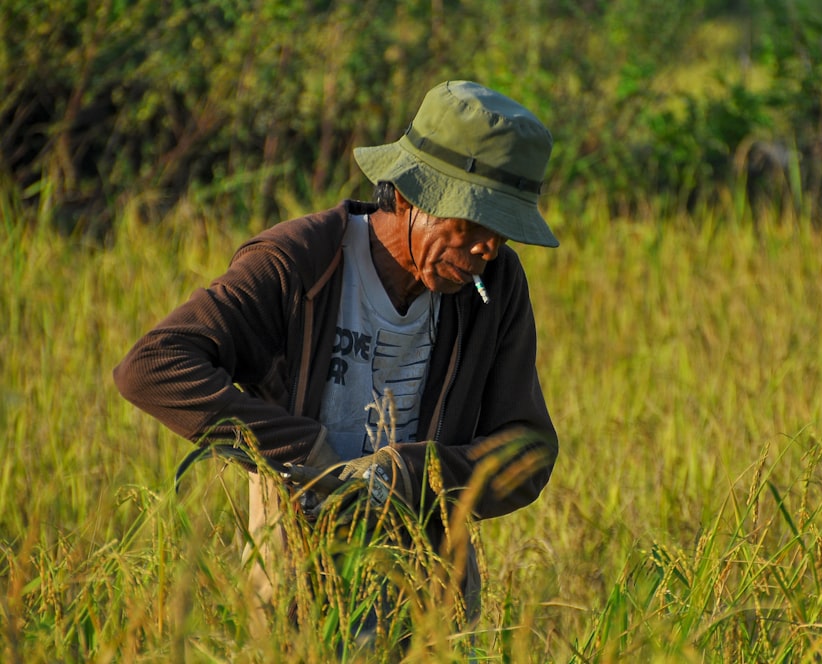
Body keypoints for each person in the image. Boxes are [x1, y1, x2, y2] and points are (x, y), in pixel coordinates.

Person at [113, 80, 560, 643]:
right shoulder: (298, 263)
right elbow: (152, 365)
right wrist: (302, 451)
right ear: (407, 194)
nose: (485, 250)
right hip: (296, 560)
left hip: (427, 571)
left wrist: (411, 475)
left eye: (500, 234)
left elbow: (528, 447)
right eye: (470, 225)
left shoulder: (494, 286)